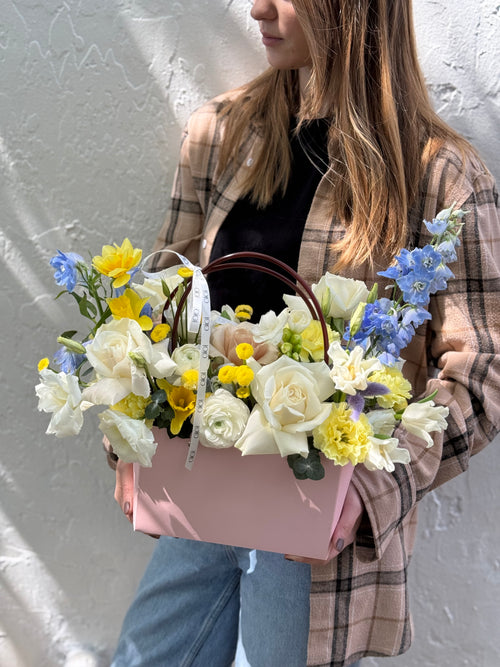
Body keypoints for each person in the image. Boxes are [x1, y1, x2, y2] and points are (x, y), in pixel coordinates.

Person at [108, 1, 500, 665]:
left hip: (312, 527)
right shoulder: (222, 136)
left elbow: (481, 374)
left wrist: (371, 492)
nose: (258, 7)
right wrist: (128, 439)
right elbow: (162, 306)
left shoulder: (437, 177)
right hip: (198, 487)